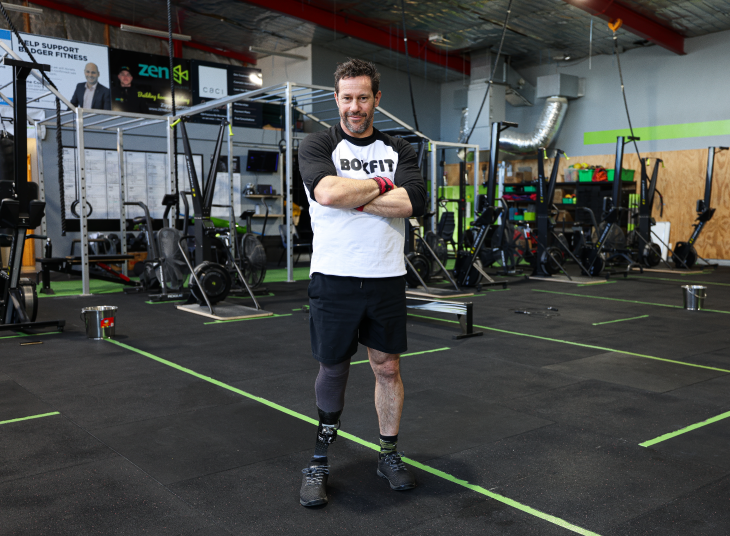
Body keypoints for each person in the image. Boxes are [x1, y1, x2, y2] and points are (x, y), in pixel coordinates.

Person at [297, 58, 427, 507]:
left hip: (385, 277)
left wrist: (352, 195)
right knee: (333, 367)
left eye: (363, 97)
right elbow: (327, 193)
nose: (355, 106)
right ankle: (317, 460)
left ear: (376, 99)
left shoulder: (401, 149)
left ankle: (388, 454)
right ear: (336, 99)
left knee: (387, 368)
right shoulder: (317, 144)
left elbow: (414, 202)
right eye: (347, 97)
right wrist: (380, 185)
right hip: (333, 277)